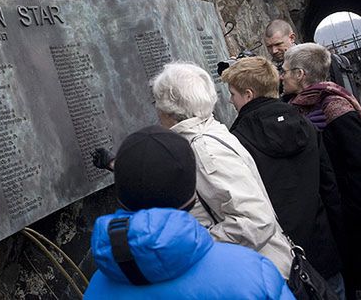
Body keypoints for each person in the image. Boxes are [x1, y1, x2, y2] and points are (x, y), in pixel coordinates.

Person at [85, 125, 294, 299]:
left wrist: (118, 165)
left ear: (121, 199)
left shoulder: (96, 289)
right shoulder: (253, 272)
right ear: (192, 198)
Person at [146, 62, 293, 278]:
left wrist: (194, 245)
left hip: (260, 274)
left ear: (169, 109)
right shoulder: (211, 130)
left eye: (157, 102)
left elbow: (255, 221)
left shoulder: (203, 149)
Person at [221, 56, 345, 297]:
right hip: (324, 249)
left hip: (283, 263)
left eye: (233, 94)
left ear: (248, 94)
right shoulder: (306, 123)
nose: (230, 99)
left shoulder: (236, 141)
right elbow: (329, 188)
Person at [282, 43, 361, 299]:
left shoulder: (335, 107)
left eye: (285, 71)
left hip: (347, 212)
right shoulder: (296, 108)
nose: (281, 76)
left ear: (300, 74)